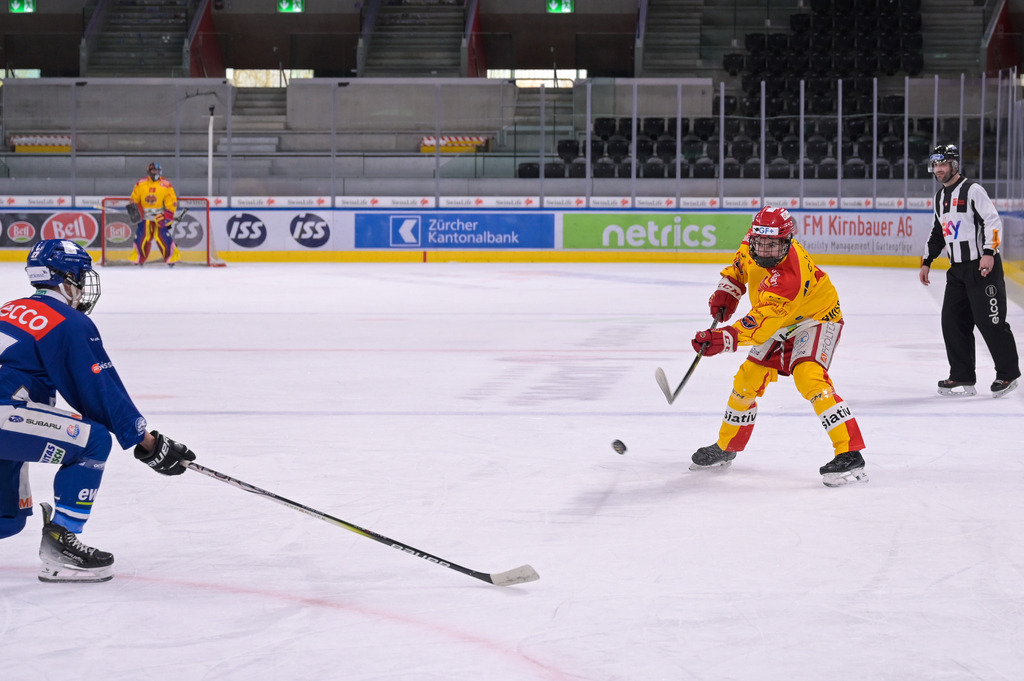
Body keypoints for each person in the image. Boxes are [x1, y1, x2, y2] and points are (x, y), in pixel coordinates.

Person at [0, 239, 196, 582]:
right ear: (65, 279)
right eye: (79, 276)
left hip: (9, 418)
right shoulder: (67, 322)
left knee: (7, 517)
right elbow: (98, 390)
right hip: (5, 416)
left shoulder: (9, 309)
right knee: (93, 441)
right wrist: (146, 441)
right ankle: (61, 543)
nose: (82, 286)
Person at [688, 206, 867, 487]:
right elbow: (738, 269)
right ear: (753, 237)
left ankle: (850, 452)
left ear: (787, 241)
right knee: (746, 379)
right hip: (777, 319)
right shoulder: (752, 244)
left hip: (815, 318)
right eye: (761, 242)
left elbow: (761, 324)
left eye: (773, 245)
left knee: (809, 377)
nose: (765, 250)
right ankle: (727, 446)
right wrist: (727, 291)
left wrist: (723, 338)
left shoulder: (791, 276)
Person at [920, 143, 1020, 398]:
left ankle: (1007, 374)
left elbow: (992, 221)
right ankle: (962, 375)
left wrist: (989, 252)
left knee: (990, 321)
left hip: (982, 267)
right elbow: (938, 231)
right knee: (952, 321)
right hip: (957, 271)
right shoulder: (940, 198)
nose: (938, 169)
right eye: (935, 165)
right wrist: (927, 260)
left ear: (954, 165)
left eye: (943, 164)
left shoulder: (972, 190)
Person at [129, 161, 181, 266]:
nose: (154, 172)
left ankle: (171, 258)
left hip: (159, 217)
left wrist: (167, 215)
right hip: (145, 217)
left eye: (156, 170)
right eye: (152, 170)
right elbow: (134, 199)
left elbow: (172, 201)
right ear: (149, 171)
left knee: (163, 237)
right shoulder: (141, 183)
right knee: (141, 237)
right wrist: (136, 210)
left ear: (160, 171)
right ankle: (139, 257)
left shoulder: (166, 184)